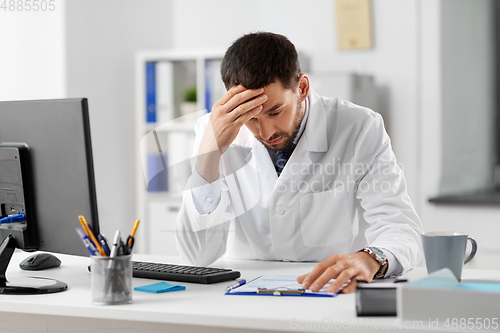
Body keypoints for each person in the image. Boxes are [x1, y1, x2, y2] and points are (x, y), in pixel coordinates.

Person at [175, 32, 423, 294]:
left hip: (331, 289)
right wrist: (209, 156)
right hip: (244, 292)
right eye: (251, 118)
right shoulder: (213, 132)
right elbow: (198, 256)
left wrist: (371, 258)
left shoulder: (360, 127)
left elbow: (401, 227)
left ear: (302, 88)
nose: (266, 132)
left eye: (275, 111)